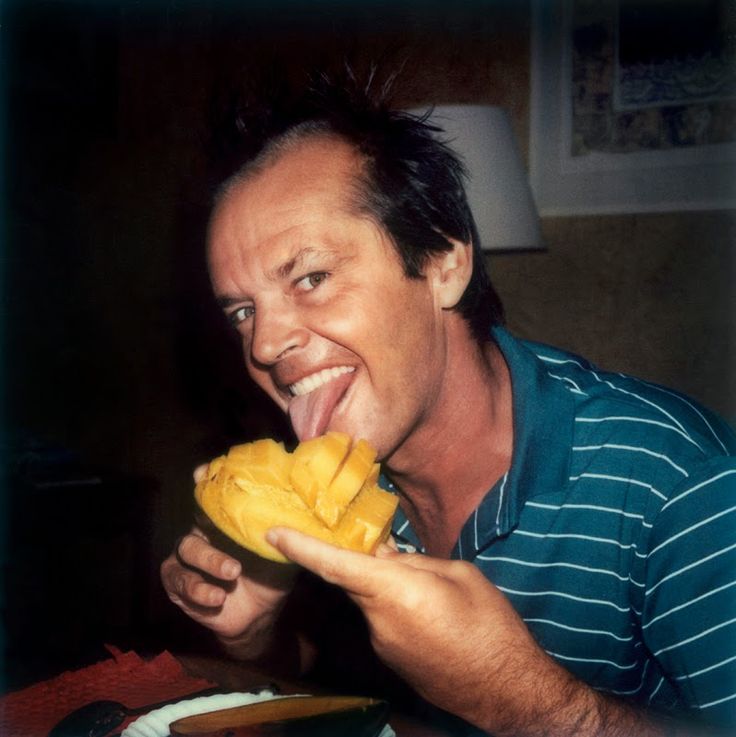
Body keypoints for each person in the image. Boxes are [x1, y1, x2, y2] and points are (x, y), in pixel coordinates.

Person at [161, 72, 736, 736]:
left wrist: (537, 708)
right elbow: (348, 697)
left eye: (311, 277)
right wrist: (257, 638)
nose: (262, 343)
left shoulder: (679, 481)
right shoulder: (338, 476)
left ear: (443, 262)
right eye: (241, 311)